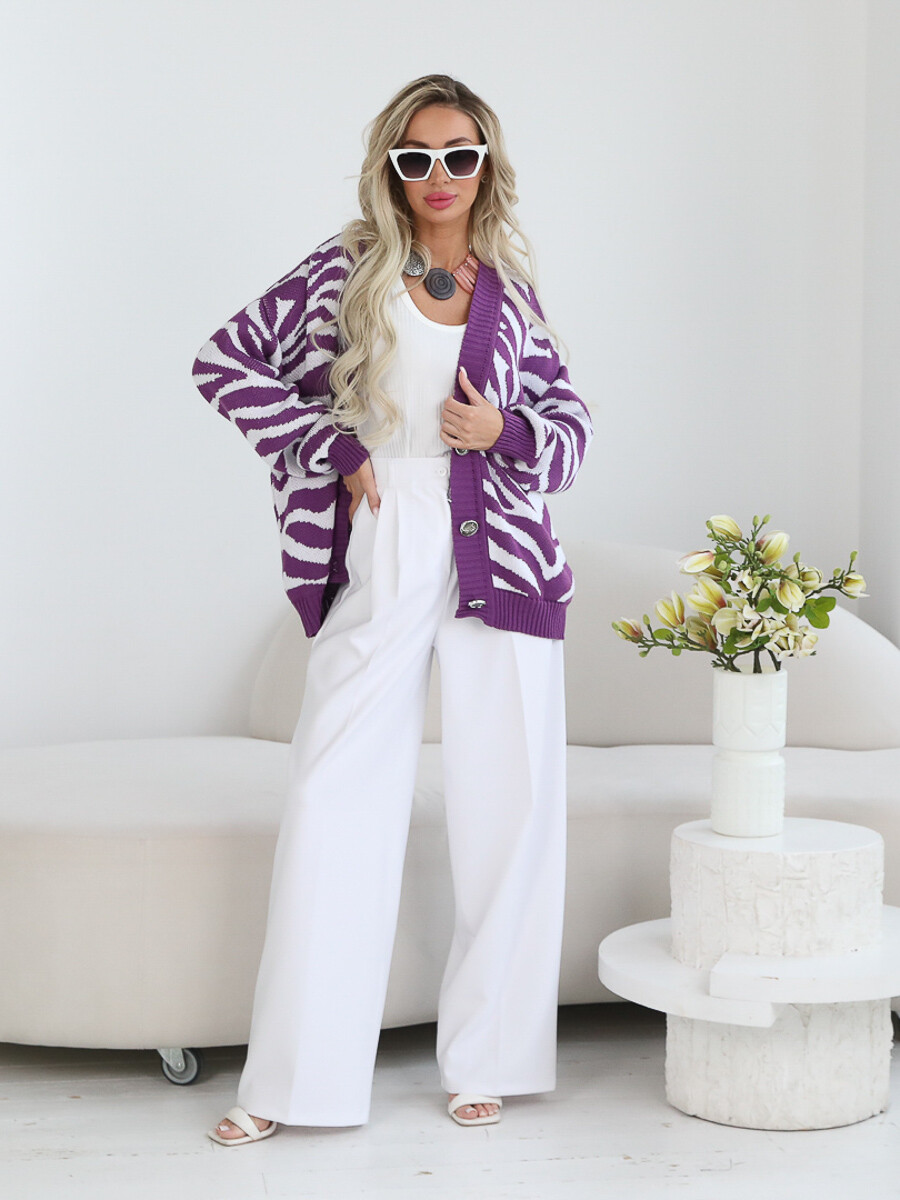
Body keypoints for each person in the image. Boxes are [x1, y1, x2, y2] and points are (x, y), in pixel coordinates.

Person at [192, 73, 593, 1145]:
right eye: (417, 158)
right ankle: (291, 1082)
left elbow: (572, 430)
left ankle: (491, 1059)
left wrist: (507, 432)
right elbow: (224, 361)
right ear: (391, 169)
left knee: (510, 805)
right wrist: (329, 447)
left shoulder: (511, 293)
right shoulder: (346, 269)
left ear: (487, 165)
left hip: (504, 554)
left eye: (459, 155)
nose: (438, 176)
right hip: (390, 535)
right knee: (335, 797)